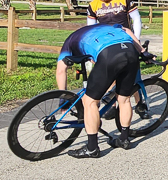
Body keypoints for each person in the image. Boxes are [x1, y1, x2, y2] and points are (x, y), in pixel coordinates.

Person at [55, 21, 143, 157]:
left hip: (108, 54)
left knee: (89, 102)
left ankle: (92, 148)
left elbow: (61, 71)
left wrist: (63, 100)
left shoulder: (72, 39)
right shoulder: (110, 26)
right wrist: (142, 51)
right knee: (124, 99)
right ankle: (124, 139)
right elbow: (127, 30)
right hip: (130, 51)